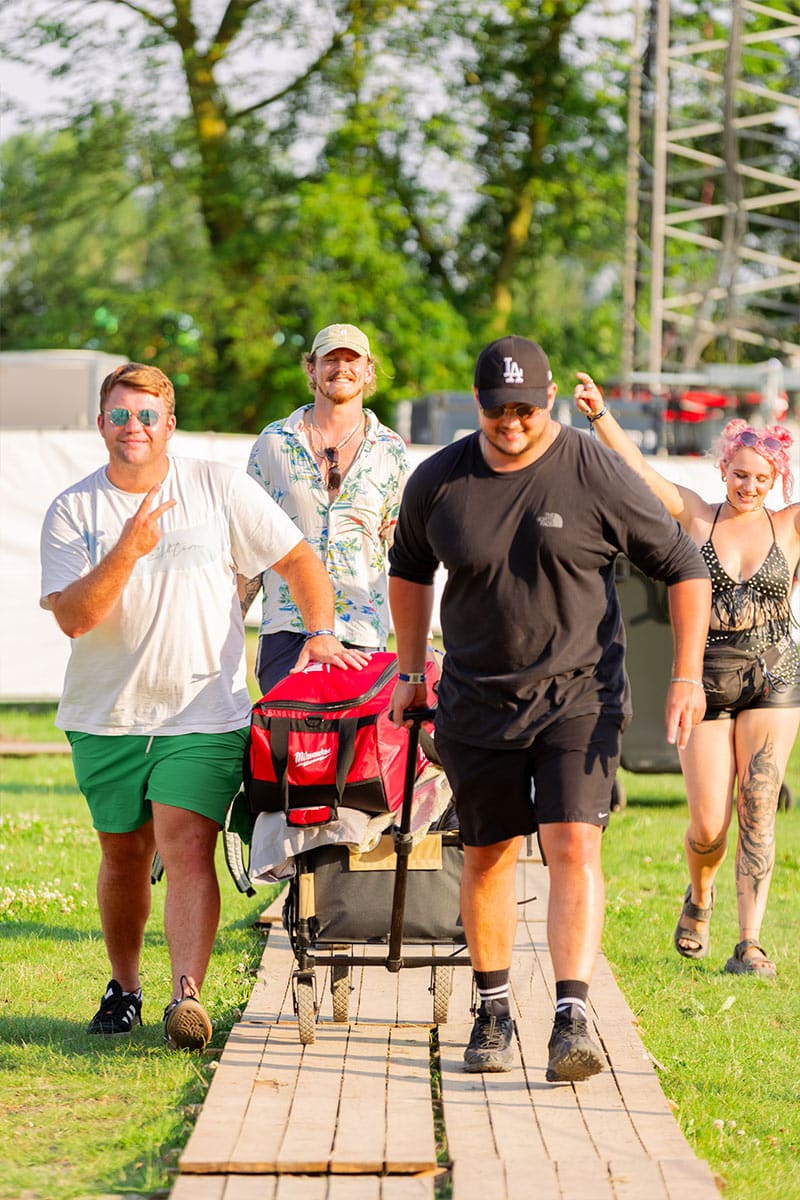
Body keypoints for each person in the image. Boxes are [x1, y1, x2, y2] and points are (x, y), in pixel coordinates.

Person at [387, 335, 711, 1081]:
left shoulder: (593, 471)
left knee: (573, 844)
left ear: (551, 399)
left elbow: (683, 563)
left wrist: (687, 674)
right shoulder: (439, 480)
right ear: (477, 403)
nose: (512, 423)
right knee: (490, 853)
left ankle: (572, 1016)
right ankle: (493, 1010)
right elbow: (409, 569)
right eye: (498, 410)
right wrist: (409, 672)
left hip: (580, 695)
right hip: (477, 699)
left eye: (526, 410)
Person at [40, 362, 365, 1050]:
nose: (133, 427)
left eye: (147, 416)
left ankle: (185, 998)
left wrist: (321, 631)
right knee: (123, 856)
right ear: (101, 424)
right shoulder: (74, 509)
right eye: (120, 415)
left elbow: (299, 560)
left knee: (187, 846)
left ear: (170, 425)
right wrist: (128, 549)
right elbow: (74, 618)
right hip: (104, 716)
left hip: (202, 712)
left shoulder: (216, 487)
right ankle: (124, 987)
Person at [575, 384, 800, 979]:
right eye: (740, 475)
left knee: (758, 807)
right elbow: (637, 470)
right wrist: (601, 415)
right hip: (707, 681)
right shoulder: (699, 515)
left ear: (776, 479)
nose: (749, 486)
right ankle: (700, 893)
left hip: (775, 676)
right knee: (707, 825)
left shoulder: (790, 525)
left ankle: (749, 943)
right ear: (723, 469)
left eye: (762, 478)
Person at [246, 322, 409, 694]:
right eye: (331, 359)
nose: (341, 368)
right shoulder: (274, 443)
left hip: (362, 629)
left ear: (368, 371)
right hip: (287, 627)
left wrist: (417, 641)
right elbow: (249, 545)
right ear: (311, 368)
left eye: (352, 360)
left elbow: (401, 549)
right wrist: (228, 628)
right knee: (286, 733)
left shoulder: (390, 449)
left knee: (358, 734)